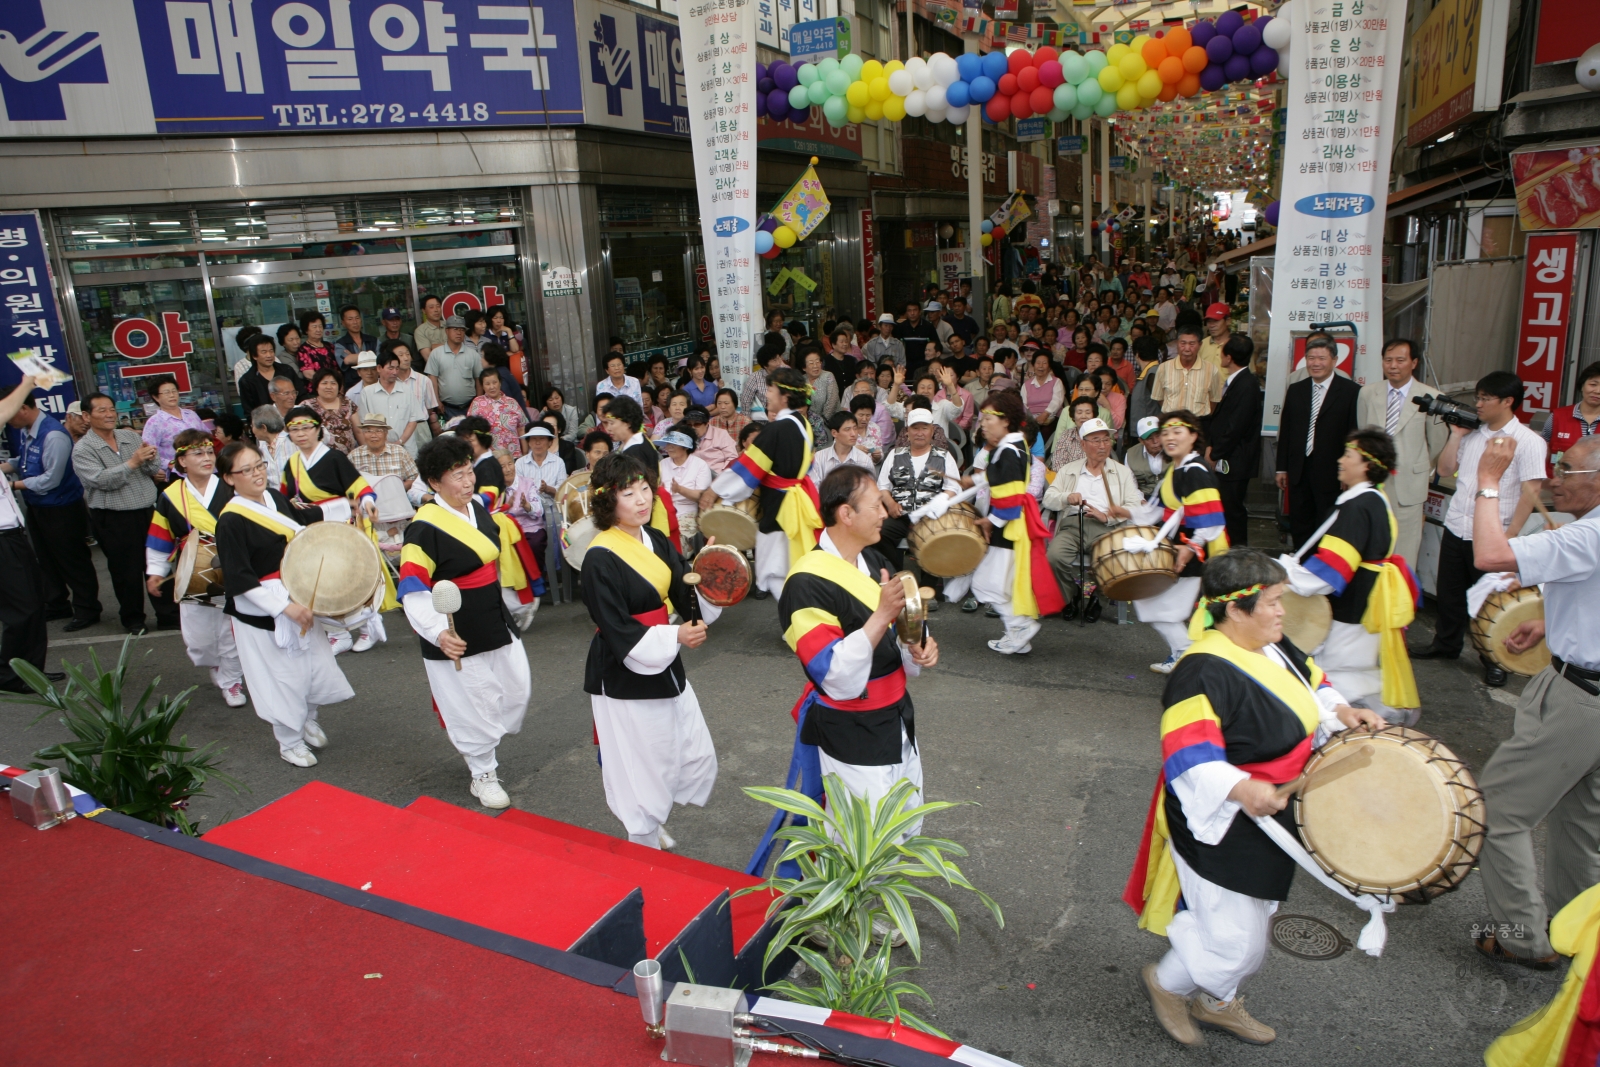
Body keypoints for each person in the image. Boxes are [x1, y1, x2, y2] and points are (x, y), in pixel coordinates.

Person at [1124, 549, 1384, 1048]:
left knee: (1255, 914)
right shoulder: (1200, 671)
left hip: (1272, 810)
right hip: (1222, 815)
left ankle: (1216, 1001)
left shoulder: (1274, 645)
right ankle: (1168, 984)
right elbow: (1189, 754)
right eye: (1272, 602)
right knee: (1234, 940)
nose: (1282, 612)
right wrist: (1241, 787)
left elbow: (1314, 682)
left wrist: (1343, 711)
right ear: (1236, 610)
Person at [754, 464, 940, 871]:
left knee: (903, 818)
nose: (885, 513)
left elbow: (901, 635)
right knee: (861, 831)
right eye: (876, 505)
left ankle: (878, 909)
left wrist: (919, 647)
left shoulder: (873, 559)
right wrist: (881, 615)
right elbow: (832, 674)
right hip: (852, 727)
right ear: (846, 514)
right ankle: (844, 923)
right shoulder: (804, 583)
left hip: (895, 716)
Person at [1467, 433, 1600, 968]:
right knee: (1581, 823)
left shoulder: (1589, 535)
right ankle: (1576, 931)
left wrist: (1488, 482)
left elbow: (1490, 554)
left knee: (1498, 810)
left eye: (1566, 471)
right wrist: (1553, 621)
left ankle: (1521, 937)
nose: (1552, 481)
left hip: (1579, 701)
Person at [580, 451, 722, 849]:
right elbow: (615, 627)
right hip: (625, 666)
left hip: (663, 656)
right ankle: (640, 835)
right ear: (609, 502)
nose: (642, 500)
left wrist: (709, 573)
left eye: (646, 489)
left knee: (683, 746)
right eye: (629, 494)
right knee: (641, 762)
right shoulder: (598, 559)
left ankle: (649, 815)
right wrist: (675, 637)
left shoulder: (656, 539)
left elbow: (684, 594)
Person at [398, 435, 536, 810]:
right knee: (469, 702)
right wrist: (437, 632)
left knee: (516, 689)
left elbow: (492, 498)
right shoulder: (422, 527)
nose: (468, 481)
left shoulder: (477, 506)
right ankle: (482, 773)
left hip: (492, 612)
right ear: (434, 483)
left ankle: (485, 744)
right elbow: (412, 587)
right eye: (457, 475)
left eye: (469, 471)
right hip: (451, 625)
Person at [214, 440, 354, 768]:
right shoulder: (231, 520)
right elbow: (238, 576)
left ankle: (306, 718)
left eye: (259, 465)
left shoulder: (275, 498)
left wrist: (351, 507)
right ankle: (288, 741)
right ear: (229, 478)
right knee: (279, 676)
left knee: (311, 666)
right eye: (246, 470)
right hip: (262, 609)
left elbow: (302, 531)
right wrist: (283, 608)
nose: (256, 474)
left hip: (297, 590)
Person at [1411, 371, 1547, 685]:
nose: (1479, 404)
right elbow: (1444, 470)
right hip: (1457, 524)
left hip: (1493, 534)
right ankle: (1446, 644)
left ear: (1508, 401)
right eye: (1479, 397)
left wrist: (1511, 534)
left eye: (1486, 398)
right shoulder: (1472, 433)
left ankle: (1494, 659)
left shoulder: (1528, 442)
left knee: (1490, 600)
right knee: (1450, 593)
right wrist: (1456, 435)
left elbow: (1532, 492)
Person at [1280, 429, 1420, 719]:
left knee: (1336, 668)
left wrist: (1291, 577)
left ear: (1367, 465)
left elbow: (1333, 567)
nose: (1340, 460)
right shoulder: (1374, 498)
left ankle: (1362, 727)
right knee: (1355, 665)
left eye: (1348, 455)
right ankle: (1383, 719)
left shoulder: (1358, 506)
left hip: (1356, 599)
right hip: (1370, 595)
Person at [944, 390, 1064, 654]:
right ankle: (1018, 635)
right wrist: (972, 480)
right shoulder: (1015, 447)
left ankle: (1020, 626)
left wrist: (990, 521)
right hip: (1015, 525)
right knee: (1006, 583)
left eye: (989, 418)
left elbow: (1009, 501)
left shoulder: (1008, 451)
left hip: (1009, 526)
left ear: (1006, 421)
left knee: (986, 584)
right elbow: (999, 476)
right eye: (982, 418)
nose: (983, 423)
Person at [143, 429, 246, 706]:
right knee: (199, 638)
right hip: (193, 568)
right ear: (182, 461)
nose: (207, 457)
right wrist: (156, 571)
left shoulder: (231, 487)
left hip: (233, 564)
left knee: (230, 628)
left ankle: (232, 680)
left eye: (210, 452)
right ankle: (215, 664)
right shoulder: (170, 496)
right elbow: (160, 535)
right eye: (197, 453)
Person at [712, 368, 824, 599]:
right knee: (790, 563)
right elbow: (808, 463)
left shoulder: (776, 429)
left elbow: (750, 468)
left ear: (784, 396)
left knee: (775, 570)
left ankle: (796, 625)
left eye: (770, 389)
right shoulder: (803, 424)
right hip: (797, 500)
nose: (766, 394)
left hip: (779, 505)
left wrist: (715, 490)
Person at [279, 405, 382, 654]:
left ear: (318, 430)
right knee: (318, 582)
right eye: (295, 429)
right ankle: (337, 633)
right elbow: (284, 497)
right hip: (310, 528)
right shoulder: (291, 463)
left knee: (348, 578)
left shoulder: (334, 457)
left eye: (306, 428)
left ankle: (369, 627)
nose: (301, 434)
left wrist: (367, 503)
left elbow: (359, 486)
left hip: (338, 525)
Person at [73, 393, 173, 634]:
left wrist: (150, 457)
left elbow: (151, 468)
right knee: (124, 571)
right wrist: (133, 463)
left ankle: (168, 614)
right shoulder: (83, 449)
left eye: (111, 409)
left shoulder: (129, 436)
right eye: (102, 410)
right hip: (113, 517)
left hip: (148, 511)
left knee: (159, 563)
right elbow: (100, 480)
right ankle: (133, 619)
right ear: (87, 416)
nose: (109, 415)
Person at [1139, 412, 1230, 674]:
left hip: (1195, 554)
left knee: (1156, 607)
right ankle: (1184, 654)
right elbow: (1155, 509)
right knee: (1155, 606)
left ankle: (1187, 656)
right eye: (1165, 432)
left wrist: (1191, 548)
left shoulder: (1196, 471)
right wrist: (1123, 512)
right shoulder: (1176, 471)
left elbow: (1211, 520)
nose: (1169, 437)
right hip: (1178, 549)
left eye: (1177, 432)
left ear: (1193, 436)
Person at [6, 394, 101, 631]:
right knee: (46, 560)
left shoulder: (54, 435)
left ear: (24, 408)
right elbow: (23, 461)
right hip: (38, 507)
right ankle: (57, 603)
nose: (7, 419)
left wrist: (11, 485)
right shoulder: (27, 431)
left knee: (72, 561)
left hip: (61, 509)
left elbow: (51, 479)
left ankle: (87, 608)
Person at [1356, 338, 1449, 568]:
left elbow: (1437, 443)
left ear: (1414, 362)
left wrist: (1421, 468)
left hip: (1409, 483)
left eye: (1400, 360)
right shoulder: (1368, 393)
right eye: (1388, 360)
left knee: (1405, 549)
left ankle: (1403, 599)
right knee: (1370, 544)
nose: (1393, 366)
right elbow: (1362, 433)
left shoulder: (1432, 397)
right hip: (1373, 481)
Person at [0, 376, 60, 692]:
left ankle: (29, 670)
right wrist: (26, 383)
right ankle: (11, 675)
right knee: (21, 607)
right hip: (2, 538)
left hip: (12, 533)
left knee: (33, 603)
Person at [1274, 334, 1360, 550]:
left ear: (1334, 360)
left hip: (1332, 472)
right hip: (1298, 469)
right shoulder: (1296, 389)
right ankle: (1301, 563)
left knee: (1328, 522)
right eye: (1311, 358)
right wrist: (1281, 468)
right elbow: (1286, 431)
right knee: (1300, 522)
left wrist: (1348, 471)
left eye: (1322, 358)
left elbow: (1353, 435)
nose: (1316, 363)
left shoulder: (1351, 392)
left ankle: (1322, 571)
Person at [1044, 417, 1139, 614]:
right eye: (1096, 440)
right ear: (1083, 444)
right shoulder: (1069, 470)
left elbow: (1134, 505)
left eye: (1106, 440)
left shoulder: (1122, 472)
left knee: (1113, 561)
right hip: (1073, 526)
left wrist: (1107, 516)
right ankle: (1070, 596)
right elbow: (1048, 499)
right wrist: (1066, 497)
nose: (1103, 445)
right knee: (1054, 557)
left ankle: (1098, 599)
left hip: (1108, 529)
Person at [874, 407, 961, 583]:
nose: (919, 433)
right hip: (900, 514)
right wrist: (890, 504)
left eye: (924, 428)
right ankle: (897, 580)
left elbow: (955, 488)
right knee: (880, 533)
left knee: (934, 536)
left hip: (931, 516)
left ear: (932, 430)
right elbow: (882, 486)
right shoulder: (895, 454)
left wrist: (937, 504)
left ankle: (928, 590)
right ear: (907, 431)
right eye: (915, 428)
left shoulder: (943, 456)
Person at [602, 395, 681, 552]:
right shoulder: (639, 443)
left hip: (642, 509)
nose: (608, 428)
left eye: (612, 423)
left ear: (628, 423)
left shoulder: (635, 451)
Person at [1207, 335, 1264, 550]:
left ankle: (1239, 553)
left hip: (1236, 459)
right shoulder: (1238, 381)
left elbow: (1235, 427)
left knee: (1233, 509)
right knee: (1226, 507)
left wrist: (1214, 453)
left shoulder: (1247, 384)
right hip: (1228, 455)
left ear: (1228, 357)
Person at [509, 423, 566, 567]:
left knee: (554, 522)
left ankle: (555, 567)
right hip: (527, 508)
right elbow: (516, 486)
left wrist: (548, 489)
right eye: (533, 439)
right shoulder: (520, 463)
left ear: (550, 442)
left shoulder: (558, 462)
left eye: (542, 439)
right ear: (528, 442)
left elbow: (564, 489)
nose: (538, 443)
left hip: (552, 505)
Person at [357, 344, 426, 453]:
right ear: (379, 368)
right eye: (390, 368)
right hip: (379, 449)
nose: (394, 372)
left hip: (406, 449)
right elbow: (365, 423)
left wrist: (400, 442)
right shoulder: (367, 393)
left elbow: (413, 420)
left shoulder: (406, 390)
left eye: (397, 368)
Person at [1151, 324, 1224, 423]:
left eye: (1192, 344)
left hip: (1199, 424)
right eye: (1183, 343)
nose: (1187, 348)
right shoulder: (1164, 368)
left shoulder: (1211, 370)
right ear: (1177, 343)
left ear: (1200, 345)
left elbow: (1214, 400)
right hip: (1171, 423)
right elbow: (1159, 398)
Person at [140, 374, 207, 477]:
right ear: (156, 397)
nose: (172, 395)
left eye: (174, 391)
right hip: (178, 473)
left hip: (203, 468)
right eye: (166, 392)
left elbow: (207, 437)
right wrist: (170, 464)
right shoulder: (154, 422)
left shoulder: (191, 414)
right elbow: (149, 453)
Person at [1544, 361, 1600, 473]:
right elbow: (1541, 451)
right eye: (1593, 384)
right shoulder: (1557, 417)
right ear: (1582, 386)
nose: (1598, 391)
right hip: (1556, 486)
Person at [658, 431, 713, 544]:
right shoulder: (662, 463)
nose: (668, 448)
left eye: (673, 445)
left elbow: (702, 496)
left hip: (689, 510)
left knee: (677, 544)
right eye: (667, 444)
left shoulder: (699, 465)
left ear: (685, 447)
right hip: (663, 510)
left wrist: (680, 490)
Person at [428, 316, 484, 419]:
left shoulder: (473, 354)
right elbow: (433, 380)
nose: (459, 332)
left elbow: (478, 379)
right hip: (446, 408)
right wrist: (437, 401)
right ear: (447, 331)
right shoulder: (436, 354)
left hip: (470, 407)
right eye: (455, 329)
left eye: (462, 330)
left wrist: (478, 402)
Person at [348, 414, 419, 490]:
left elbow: (414, 477)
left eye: (378, 431)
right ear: (363, 434)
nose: (373, 435)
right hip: (366, 499)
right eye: (368, 431)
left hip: (396, 497)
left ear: (386, 433)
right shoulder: (354, 456)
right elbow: (346, 481)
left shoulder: (400, 452)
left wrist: (399, 489)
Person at [467, 366, 527, 454]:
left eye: (494, 382)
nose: (492, 387)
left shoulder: (512, 402)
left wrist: (525, 453)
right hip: (489, 456)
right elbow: (470, 430)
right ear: (482, 386)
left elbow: (522, 428)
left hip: (513, 455)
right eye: (487, 384)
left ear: (500, 383)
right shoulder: (477, 403)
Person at [238, 334, 302, 413]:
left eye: (271, 351)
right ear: (254, 356)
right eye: (264, 352)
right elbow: (249, 411)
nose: (269, 355)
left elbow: (301, 395)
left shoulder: (287, 370)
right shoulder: (247, 381)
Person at [810, 409, 875, 484]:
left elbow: (869, 490)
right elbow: (814, 488)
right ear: (834, 433)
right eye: (847, 429)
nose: (853, 434)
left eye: (855, 428)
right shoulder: (819, 458)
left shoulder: (865, 460)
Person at [307, 369, 359, 454]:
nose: (329, 387)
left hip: (348, 457)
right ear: (316, 386)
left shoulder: (348, 403)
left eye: (333, 383)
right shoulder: (307, 406)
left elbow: (358, 431)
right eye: (324, 383)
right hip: (320, 457)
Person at [679, 406, 737, 473]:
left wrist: (723, 474)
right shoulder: (684, 438)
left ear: (707, 423)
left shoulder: (721, 434)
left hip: (718, 475)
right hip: (693, 476)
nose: (692, 428)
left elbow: (732, 458)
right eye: (689, 425)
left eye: (697, 424)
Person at [332, 304, 377, 385]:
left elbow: (380, 359)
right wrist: (371, 356)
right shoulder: (340, 343)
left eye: (357, 318)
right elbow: (346, 360)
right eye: (350, 319)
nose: (355, 322)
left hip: (374, 382)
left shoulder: (373, 340)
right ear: (343, 323)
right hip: (352, 384)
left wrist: (353, 357)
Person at [1022, 350, 1065, 433]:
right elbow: (1024, 405)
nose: (1040, 366)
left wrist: (1045, 414)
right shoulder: (1026, 385)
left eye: (1044, 363)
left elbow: (1057, 401)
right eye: (1038, 363)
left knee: (1045, 433)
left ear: (1049, 367)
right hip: (1032, 419)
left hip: (1052, 417)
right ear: (1033, 365)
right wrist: (1032, 419)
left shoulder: (1056, 382)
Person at [292, 311, 340, 384]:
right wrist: (327, 384)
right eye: (314, 327)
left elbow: (337, 369)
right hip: (317, 389)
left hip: (335, 386)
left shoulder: (330, 346)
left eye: (320, 326)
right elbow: (308, 374)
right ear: (306, 330)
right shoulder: (303, 349)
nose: (318, 329)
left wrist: (339, 384)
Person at [740, 345, 788, 416]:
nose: (779, 363)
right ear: (765, 365)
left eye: (779, 358)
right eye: (774, 360)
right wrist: (747, 421)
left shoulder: (787, 373)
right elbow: (745, 401)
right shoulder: (755, 377)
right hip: (763, 421)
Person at [1197, 303, 1230, 370]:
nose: (1211, 325)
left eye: (1216, 321)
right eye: (1209, 321)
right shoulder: (1202, 345)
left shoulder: (1238, 345)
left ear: (1228, 321)